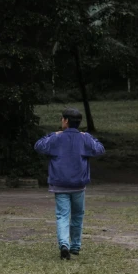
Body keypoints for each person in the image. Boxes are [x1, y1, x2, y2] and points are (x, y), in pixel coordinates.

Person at [34, 107, 105, 259]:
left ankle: (64, 244)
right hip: (79, 185)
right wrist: (90, 137)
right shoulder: (84, 138)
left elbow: (38, 146)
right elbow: (100, 149)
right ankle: (76, 245)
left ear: (65, 121)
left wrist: (54, 134)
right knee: (78, 215)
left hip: (59, 184)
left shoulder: (57, 138)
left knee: (62, 215)